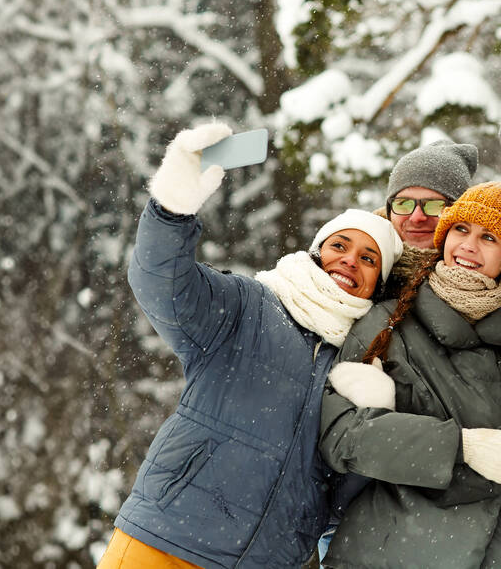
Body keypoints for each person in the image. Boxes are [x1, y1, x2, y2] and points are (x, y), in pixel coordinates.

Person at [98, 122, 402, 569]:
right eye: (340, 244)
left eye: (368, 258)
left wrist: (374, 419)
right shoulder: (251, 305)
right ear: (318, 251)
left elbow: (342, 501)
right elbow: (162, 285)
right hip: (167, 538)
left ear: (378, 283)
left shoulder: (360, 365)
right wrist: (172, 208)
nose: (349, 260)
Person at [319, 181, 501, 568]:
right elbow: (340, 434)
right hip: (390, 550)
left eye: (489, 236)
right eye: (461, 229)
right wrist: (461, 448)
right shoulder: (387, 323)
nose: (469, 245)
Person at [378, 139, 478, 297]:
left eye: (434, 205)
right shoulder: (356, 266)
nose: (417, 217)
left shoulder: (489, 276)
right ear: (390, 211)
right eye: (403, 203)